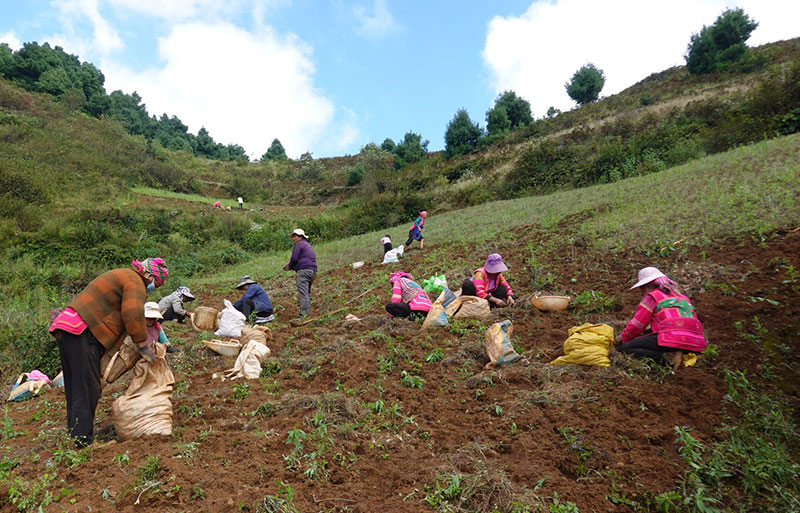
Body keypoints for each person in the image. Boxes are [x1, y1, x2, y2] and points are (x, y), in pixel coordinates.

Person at [48, 257, 168, 446]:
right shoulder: (135, 280)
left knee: (76, 386)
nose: (152, 287)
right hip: (82, 330)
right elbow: (132, 313)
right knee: (88, 387)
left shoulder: (122, 275)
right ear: (149, 275)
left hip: (67, 327)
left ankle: (75, 436)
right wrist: (143, 345)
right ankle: (83, 443)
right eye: (155, 283)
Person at [614, 267, 706, 371]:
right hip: (695, 340)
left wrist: (622, 338)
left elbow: (638, 324)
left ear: (647, 286)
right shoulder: (682, 297)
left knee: (625, 349)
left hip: (671, 337)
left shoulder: (652, 297)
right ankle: (678, 352)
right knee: (646, 340)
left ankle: (667, 362)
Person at [283, 229, 317, 319]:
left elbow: (294, 258)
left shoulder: (298, 244)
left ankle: (304, 316)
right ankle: (307, 313)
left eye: (295, 236)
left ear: (300, 237)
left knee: (303, 294)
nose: (293, 238)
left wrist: (289, 266)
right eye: (293, 236)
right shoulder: (307, 245)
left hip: (304, 271)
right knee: (306, 293)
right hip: (313, 271)